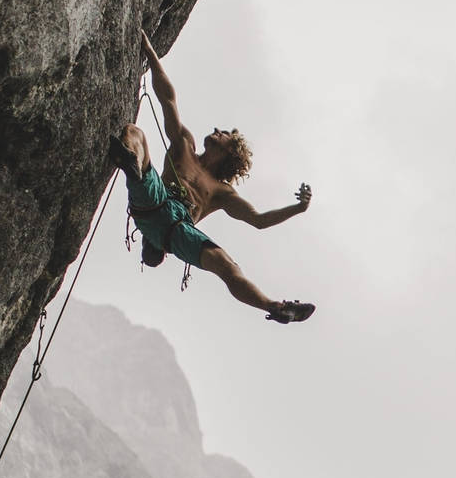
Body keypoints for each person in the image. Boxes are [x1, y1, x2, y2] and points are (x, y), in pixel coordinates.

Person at [109, 30, 316, 324]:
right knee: (135, 133)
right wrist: (150, 54)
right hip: (157, 199)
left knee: (226, 265)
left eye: (226, 134)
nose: (218, 130)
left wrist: (299, 208)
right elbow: (168, 98)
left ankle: (276, 307)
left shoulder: (221, 192)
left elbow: (259, 220)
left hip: (179, 230)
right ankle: (131, 163)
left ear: (232, 152)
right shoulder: (185, 146)